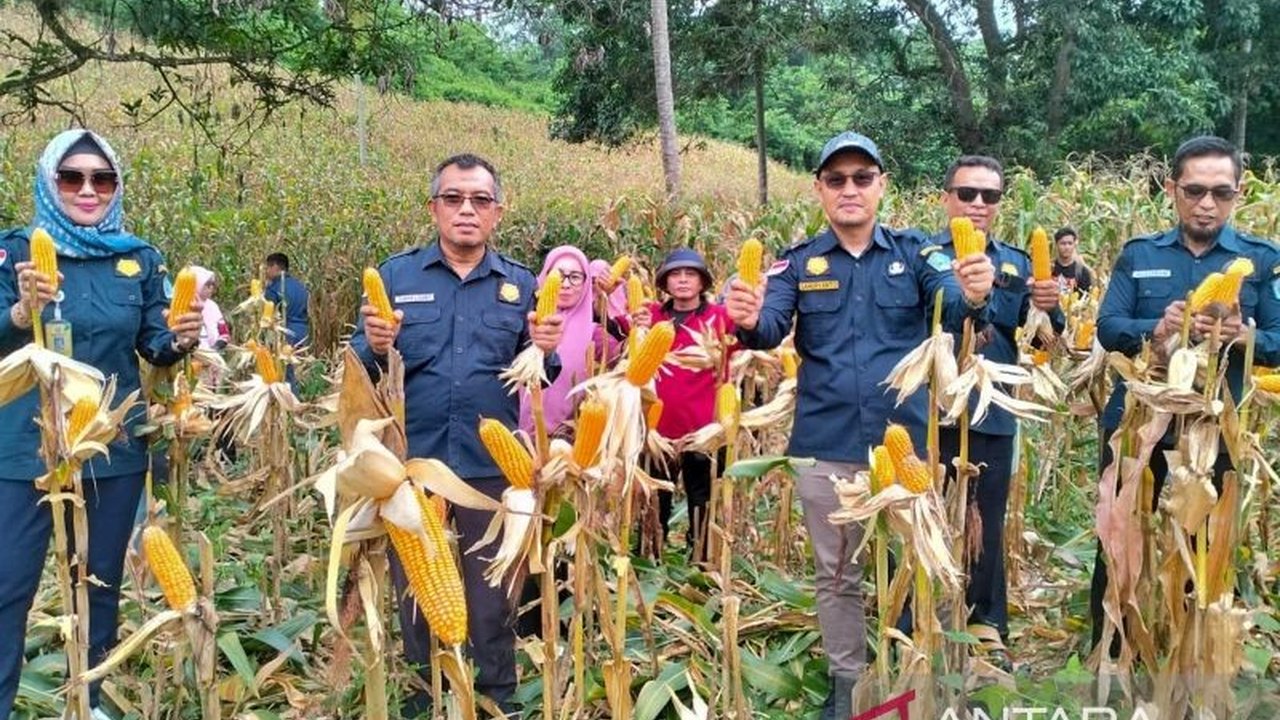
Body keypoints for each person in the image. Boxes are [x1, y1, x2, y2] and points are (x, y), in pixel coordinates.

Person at [724, 130, 996, 719]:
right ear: (820, 189)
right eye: (837, 179)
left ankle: (928, 674)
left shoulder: (917, 254)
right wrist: (745, 319)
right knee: (837, 574)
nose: (850, 189)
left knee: (923, 562)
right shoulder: (799, 263)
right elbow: (768, 328)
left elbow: (952, 302)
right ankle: (847, 683)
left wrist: (975, 294)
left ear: (881, 186)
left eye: (862, 178)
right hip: (826, 444)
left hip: (906, 445)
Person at [350, 153, 563, 717]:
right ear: (434, 208)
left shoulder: (520, 284)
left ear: (497, 212)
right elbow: (358, 369)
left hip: (490, 471)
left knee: (492, 599)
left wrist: (545, 350)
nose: (467, 209)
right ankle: (424, 699)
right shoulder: (396, 277)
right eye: (453, 198)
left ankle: (497, 700)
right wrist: (374, 348)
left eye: (480, 200)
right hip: (413, 468)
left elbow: (541, 375)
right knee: (418, 594)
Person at [0, 129, 202, 719]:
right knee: (8, 586)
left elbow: (154, 344)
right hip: (26, 446)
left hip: (110, 447)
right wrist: (21, 313)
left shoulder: (139, 258)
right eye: (72, 178)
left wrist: (180, 339)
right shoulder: (14, 251)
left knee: (99, 585)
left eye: (102, 179)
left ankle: (87, 702)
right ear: (49, 182)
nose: (88, 190)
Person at [1091, 135, 1280, 649]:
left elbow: (1278, 340)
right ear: (1172, 189)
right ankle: (1111, 649)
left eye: (1221, 192)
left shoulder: (1263, 260)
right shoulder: (1140, 254)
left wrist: (1244, 336)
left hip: (1215, 427)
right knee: (1119, 536)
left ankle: (1191, 652)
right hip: (1138, 422)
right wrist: (1156, 329)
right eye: (1194, 190)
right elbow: (1109, 326)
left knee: (1205, 542)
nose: (1206, 204)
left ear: (1239, 193)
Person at [925, 155, 1062, 667]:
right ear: (946, 198)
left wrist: (1050, 306)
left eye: (990, 196)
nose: (978, 204)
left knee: (985, 519)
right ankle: (926, 613)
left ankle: (985, 622)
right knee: (929, 516)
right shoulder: (925, 258)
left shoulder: (1017, 264)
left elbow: (1042, 339)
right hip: (934, 409)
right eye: (966, 193)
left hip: (992, 407)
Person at [626, 248, 734, 561]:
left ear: (703, 282)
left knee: (703, 502)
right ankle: (649, 562)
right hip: (656, 431)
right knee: (654, 502)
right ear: (664, 282)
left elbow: (757, 336)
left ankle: (701, 564)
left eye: (690, 274)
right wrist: (632, 323)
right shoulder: (650, 315)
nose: (683, 280)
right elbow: (607, 323)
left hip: (705, 433)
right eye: (675, 274)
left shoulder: (722, 318)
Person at [518, 246, 616, 435]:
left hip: (566, 440)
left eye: (575, 277)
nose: (565, 284)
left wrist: (637, 328)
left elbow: (624, 357)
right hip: (514, 433)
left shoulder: (594, 333)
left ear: (586, 284)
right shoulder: (522, 323)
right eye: (558, 276)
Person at [264, 252, 310, 347]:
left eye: (267, 267)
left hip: (285, 333)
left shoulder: (274, 289)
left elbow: (268, 318)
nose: (266, 272)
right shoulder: (301, 287)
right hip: (304, 333)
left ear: (275, 266)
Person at [192, 266, 230, 351]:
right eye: (207, 285)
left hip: (212, 354)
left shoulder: (213, 306)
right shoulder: (185, 306)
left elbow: (224, 333)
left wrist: (216, 347)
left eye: (212, 284)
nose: (211, 288)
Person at [1051, 226, 1095, 294]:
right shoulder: (1050, 268)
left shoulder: (1082, 272)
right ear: (1056, 245)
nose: (1067, 247)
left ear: (1074, 245)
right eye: (1063, 243)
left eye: (1070, 243)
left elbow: (1086, 297)